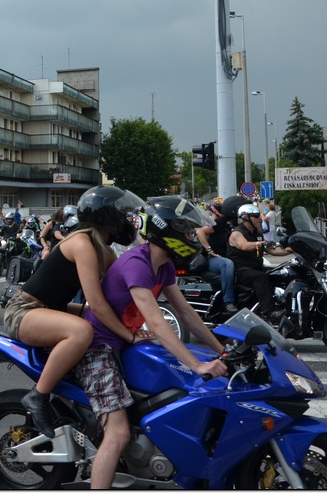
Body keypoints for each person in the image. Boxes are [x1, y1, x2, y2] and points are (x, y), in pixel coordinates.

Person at [76, 196, 228, 488]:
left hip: (125, 345)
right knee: (118, 434)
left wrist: (220, 350)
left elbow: (185, 312)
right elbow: (157, 322)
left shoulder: (164, 265)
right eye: (185, 231)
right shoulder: (138, 263)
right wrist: (197, 365)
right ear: (166, 232)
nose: (190, 237)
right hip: (98, 348)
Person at [1, 185, 143, 438]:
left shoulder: (103, 248)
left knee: (93, 320)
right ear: (106, 217)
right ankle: (38, 395)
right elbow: (97, 303)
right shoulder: (82, 243)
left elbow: (125, 279)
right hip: (24, 310)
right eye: (122, 214)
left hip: (52, 309)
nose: (127, 220)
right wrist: (128, 335)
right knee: (82, 331)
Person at [227, 203, 293, 322]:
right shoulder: (237, 233)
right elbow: (244, 245)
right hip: (240, 270)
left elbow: (274, 251)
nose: (260, 218)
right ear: (246, 217)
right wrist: (260, 244)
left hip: (255, 267)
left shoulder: (257, 234)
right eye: (256, 216)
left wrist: (295, 249)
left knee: (279, 273)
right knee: (260, 277)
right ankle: (270, 312)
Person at [193, 197, 242, 314]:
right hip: (214, 259)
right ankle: (228, 301)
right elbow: (200, 232)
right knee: (227, 264)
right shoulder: (222, 222)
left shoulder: (237, 224)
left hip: (230, 256)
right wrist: (210, 250)